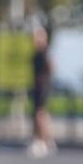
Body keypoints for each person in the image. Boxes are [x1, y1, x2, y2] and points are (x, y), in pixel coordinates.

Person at [28, 26, 55, 157]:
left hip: (42, 87)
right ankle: (46, 141)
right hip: (38, 87)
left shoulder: (44, 52)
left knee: (40, 115)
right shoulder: (38, 52)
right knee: (41, 115)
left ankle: (42, 141)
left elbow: (52, 67)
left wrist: (44, 79)